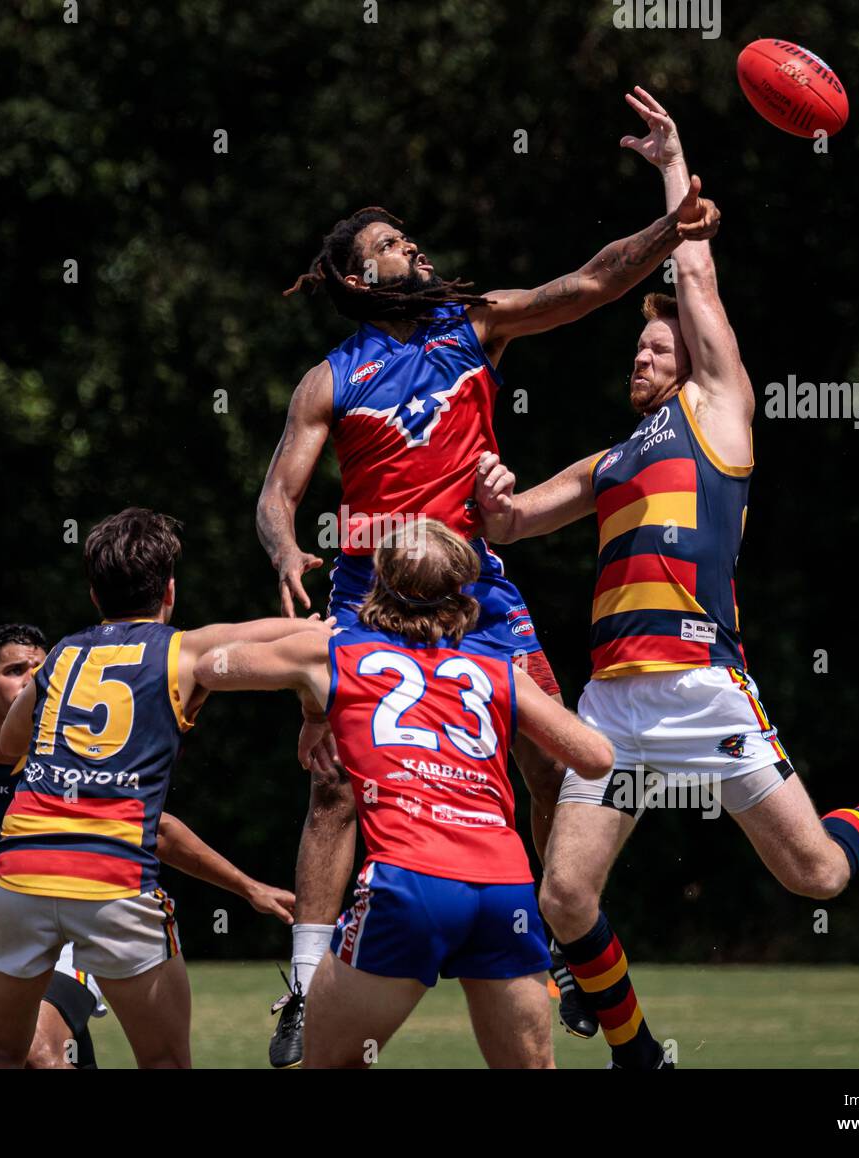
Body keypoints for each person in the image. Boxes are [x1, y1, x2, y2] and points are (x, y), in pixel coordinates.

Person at [473, 88, 859, 1066]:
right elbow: (509, 522)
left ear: (691, 358)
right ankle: (638, 1054)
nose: (642, 350)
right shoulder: (608, 462)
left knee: (819, 875)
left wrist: (672, 164)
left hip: (707, 686)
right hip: (612, 707)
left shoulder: (718, 412)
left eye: (655, 341)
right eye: (636, 345)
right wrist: (484, 481)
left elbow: (692, 269)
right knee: (564, 897)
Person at [255, 134, 722, 1066]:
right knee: (336, 787)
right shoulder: (331, 379)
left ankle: (560, 951)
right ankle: (307, 987)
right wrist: (283, 555)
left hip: (476, 590)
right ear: (359, 277)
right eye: (390, 244)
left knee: (554, 766)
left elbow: (584, 286)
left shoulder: (472, 324)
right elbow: (278, 497)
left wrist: (668, 228)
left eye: (407, 238)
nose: (411, 249)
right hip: (366, 593)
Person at [194, 518, 615, 1067]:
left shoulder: (335, 654)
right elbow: (597, 757)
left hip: (409, 883)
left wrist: (306, 657)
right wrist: (513, 689)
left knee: (332, 1061)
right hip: (504, 886)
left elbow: (211, 665)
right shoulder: (496, 669)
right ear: (464, 596)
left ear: (375, 583)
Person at [0, 508, 322, 1068]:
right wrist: (325, 631)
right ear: (170, 591)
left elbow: (10, 745)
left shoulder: (61, 655)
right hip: (113, 881)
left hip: (21, 874)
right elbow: (286, 640)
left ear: (93, 594)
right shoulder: (183, 651)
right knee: (164, 1063)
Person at [0, 620, 298, 1068]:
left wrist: (248, 888)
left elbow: (157, 829)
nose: (30, 679)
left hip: (83, 913)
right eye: (14, 670)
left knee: (38, 1053)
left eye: (38, 668)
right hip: (0, 928)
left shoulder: (65, 750)